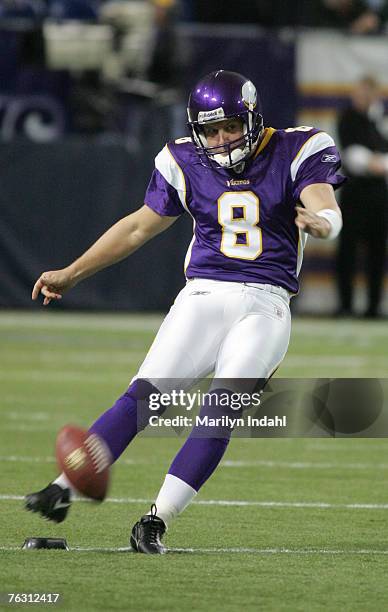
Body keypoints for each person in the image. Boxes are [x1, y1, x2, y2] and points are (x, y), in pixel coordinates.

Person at [25, 70, 344, 553]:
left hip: (266, 304)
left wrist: (323, 224)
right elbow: (138, 228)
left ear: (254, 119)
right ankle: (61, 490)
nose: (221, 140)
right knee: (143, 398)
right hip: (203, 296)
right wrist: (72, 273)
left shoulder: (298, 147)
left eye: (231, 127)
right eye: (211, 131)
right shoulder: (181, 158)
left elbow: (323, 204)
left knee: (220, 415)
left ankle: (156, 520)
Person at [336, 76, 388, 318]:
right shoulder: (348, 117)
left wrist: (377, 162)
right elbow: (353, 157)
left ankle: (373, 307)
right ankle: (345, 305)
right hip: (355, 192)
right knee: (347, 251)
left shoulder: (381, 118)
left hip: (379, 194)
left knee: (377, 251)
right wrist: (374, 162)